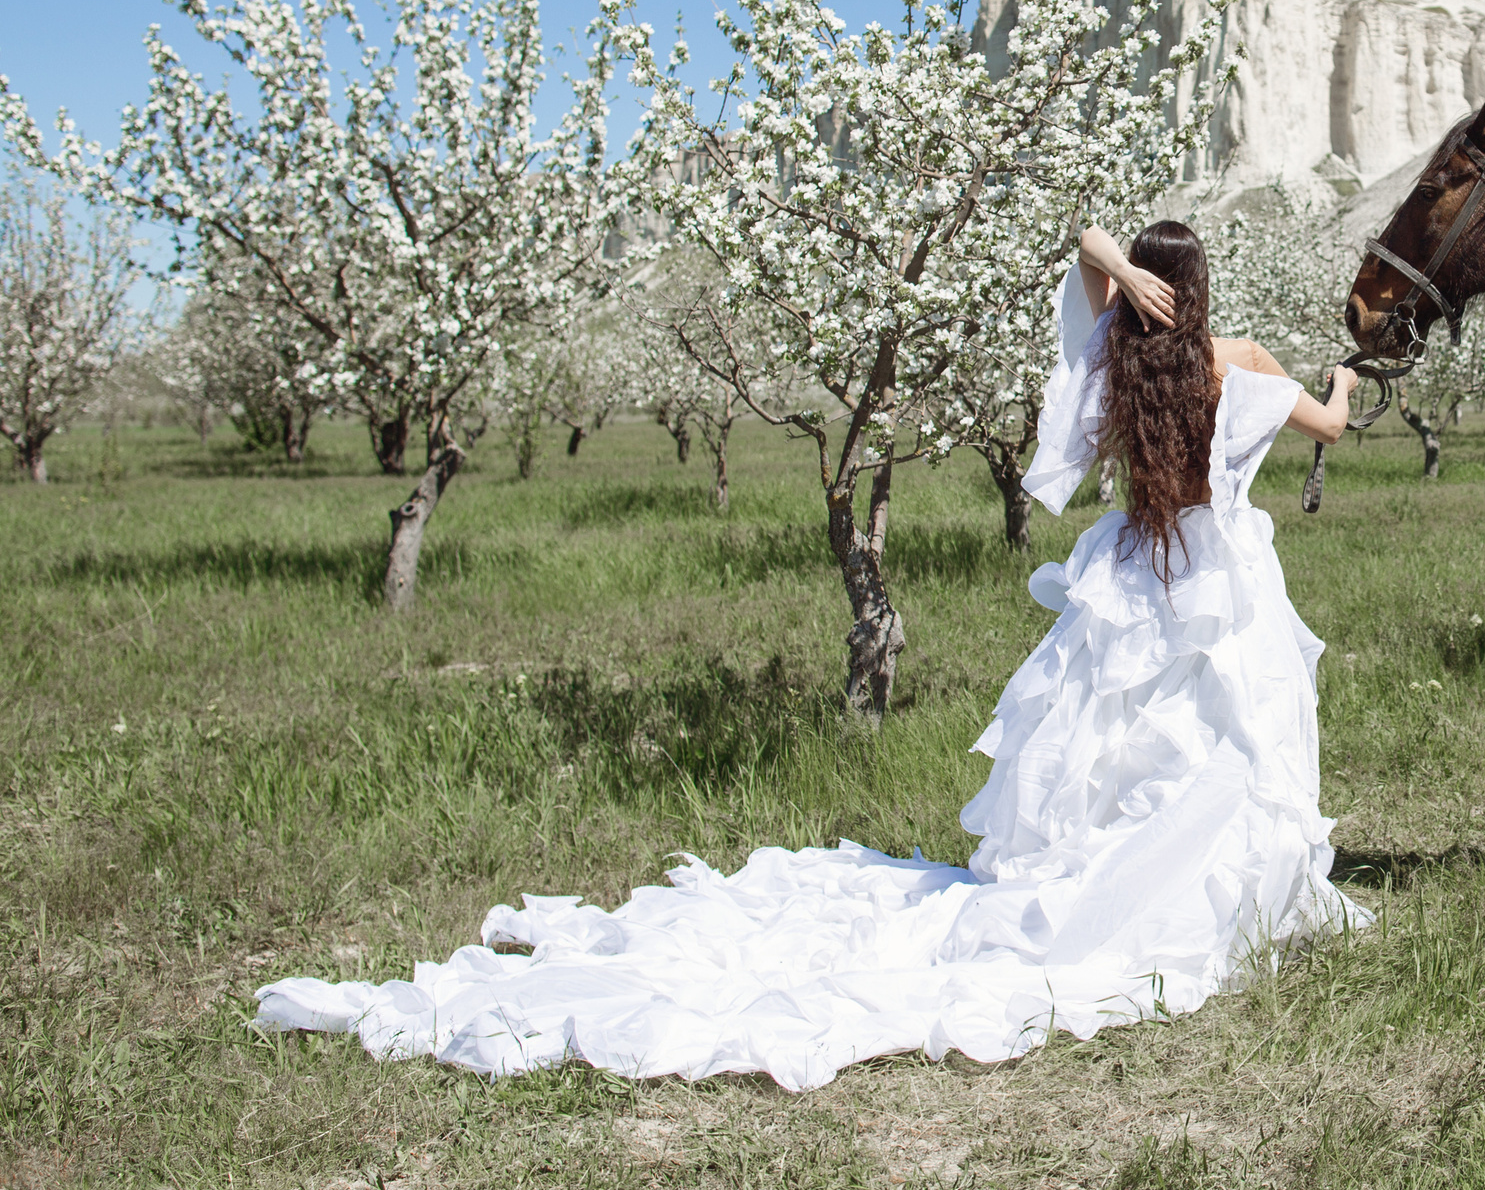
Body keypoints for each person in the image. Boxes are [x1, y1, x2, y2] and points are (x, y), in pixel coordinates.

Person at [254, 222, 1368, 1091]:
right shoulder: (1241, 361)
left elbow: (1082, 247)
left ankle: (1107, 880)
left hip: (1127, 574)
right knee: (1222, 732)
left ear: (1136, 290)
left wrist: (1117, 267)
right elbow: (1329, 424)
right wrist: (1349, 384)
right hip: (1214, 579)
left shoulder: (1117, 368)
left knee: (1107, 743)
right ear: (1203, 287)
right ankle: (1212, 896)